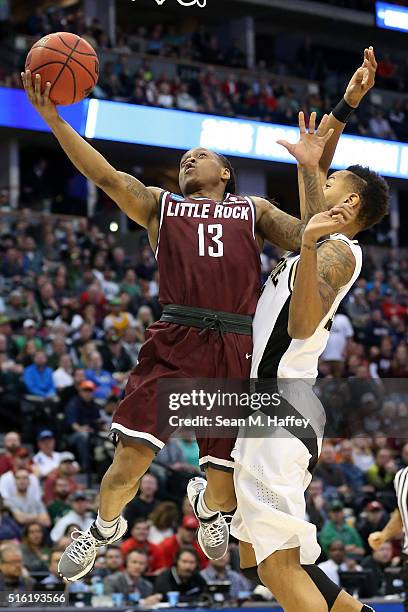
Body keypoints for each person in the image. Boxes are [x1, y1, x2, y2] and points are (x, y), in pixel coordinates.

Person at [22, 66, 321, 582]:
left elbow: (311, 237)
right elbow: (106, 177)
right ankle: (102, 529)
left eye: (201, 155)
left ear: (225, 173)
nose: (189, 158)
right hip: (177, 338)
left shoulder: (252, 209)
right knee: (125, 469)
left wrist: (312, 171)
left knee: (224, 485)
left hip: (234, 344)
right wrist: (54, 119)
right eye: (185, 158)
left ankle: (209, 505)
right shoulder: (164, 207)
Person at [229, 48, 385, 612]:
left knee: (279, 566)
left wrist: (310, 217)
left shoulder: (337, 253)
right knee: (266, 560)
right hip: (265, 406)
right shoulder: (320, 242)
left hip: (280, 405)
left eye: (330, 179)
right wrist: (344, 109)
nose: (321, 175)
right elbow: (307, 201)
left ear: (347, 205)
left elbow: (299, 324)